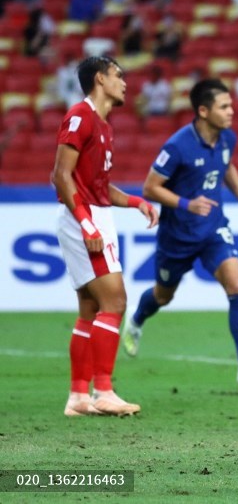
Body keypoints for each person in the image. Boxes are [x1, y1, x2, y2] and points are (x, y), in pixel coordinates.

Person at [121, 79, 238, 389]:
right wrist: (186, 204)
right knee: (163, 295)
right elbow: (150, 188)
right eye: (224, 107)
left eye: (231, 105)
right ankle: (136, 319)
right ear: (203, 111)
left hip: (213, 228)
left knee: (236, 284)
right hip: (177, 235)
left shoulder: (227, 138)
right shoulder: (177, 146)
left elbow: (227, 166)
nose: (231, 111)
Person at [51, 56, 159, 417]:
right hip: (82, 217)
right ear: (100, 78)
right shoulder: (80, 116)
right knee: (115, 301)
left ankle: (78, 396)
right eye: (118, 76)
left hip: (93, 213)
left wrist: (136, 202)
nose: (125, 83)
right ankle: (104, 390)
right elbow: (60, 176)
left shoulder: (103, 126)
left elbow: (96, 186)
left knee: (90, 307)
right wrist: (86, 223)